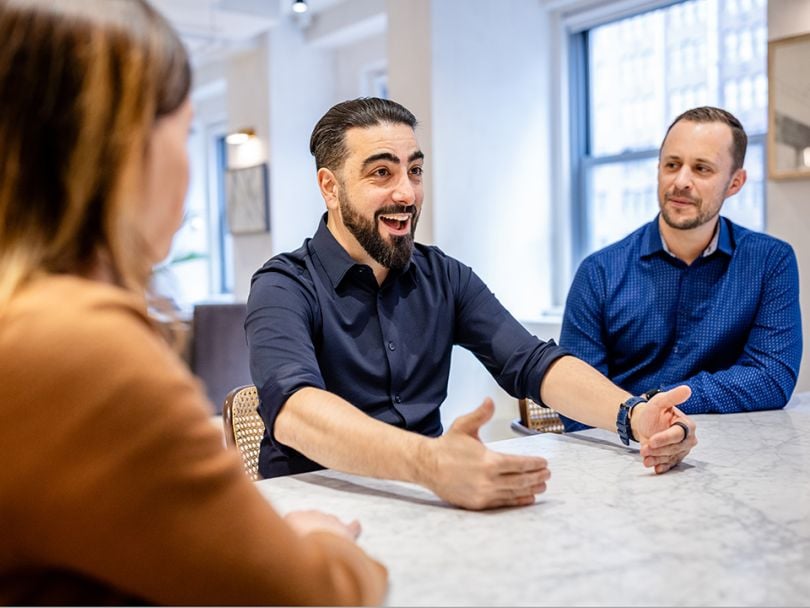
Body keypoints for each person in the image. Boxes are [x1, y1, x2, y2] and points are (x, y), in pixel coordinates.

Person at [0, 1, 387, 605]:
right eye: (182, 133)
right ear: (121, 149)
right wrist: (324, 542)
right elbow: (308, 595)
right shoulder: (81, 347)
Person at [246, 97, 698, 511]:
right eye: (381, 173)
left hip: (423, 505)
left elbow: (532, 361)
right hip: (313, 516)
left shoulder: (444, 276)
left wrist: (635, 415)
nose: (407, 193)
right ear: (330, 187)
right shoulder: (282, 286)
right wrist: (430, 463)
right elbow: (296, 412)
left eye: (415, 171)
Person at [559, 106, 802, 433]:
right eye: (672, 165)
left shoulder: (770, 262)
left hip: (729, 454)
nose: (681, 181)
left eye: (702, 169)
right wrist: (639, 419)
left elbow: (772, 377)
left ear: (735, 182)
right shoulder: (599, 272)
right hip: (620, 453)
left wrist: (655, 403)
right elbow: (573, 400)